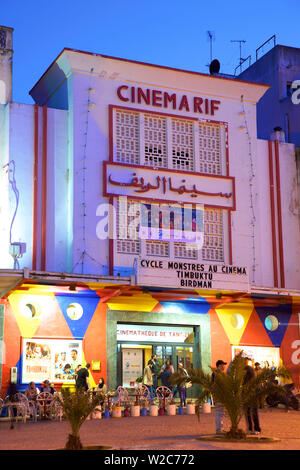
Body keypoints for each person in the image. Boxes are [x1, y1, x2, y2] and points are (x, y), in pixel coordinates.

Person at [244, 357, 261, 435]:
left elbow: (253, 382)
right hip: (249, 393)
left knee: (252, 411)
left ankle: (255, 428)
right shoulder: (247, 370)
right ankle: (252, 428)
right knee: (250, 412)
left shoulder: (250, 370)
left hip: (251, 393)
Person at [212, 359, 227, 434]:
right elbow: (216, 385)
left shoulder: (220, 374)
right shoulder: (216, 374)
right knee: (219, 412)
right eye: (222, 365)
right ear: (219, 366)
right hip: (219, 396)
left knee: (221, 413)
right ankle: (219, 429)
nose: (224, 366)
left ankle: (220, 428)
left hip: (221, 395)